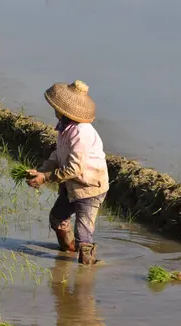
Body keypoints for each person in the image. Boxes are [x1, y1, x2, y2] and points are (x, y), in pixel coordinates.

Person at [26, 80, 109, 265]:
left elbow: (74, 168)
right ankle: (68, 253)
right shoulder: (64, 127)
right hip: (71, 184)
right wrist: (40, 171)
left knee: (83, 234)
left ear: (64, 109)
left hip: (89, 187)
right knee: (57, 218)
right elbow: (58, 154)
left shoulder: (81, 132)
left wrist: (46, 178)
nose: (54, 109)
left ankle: (86, 271)